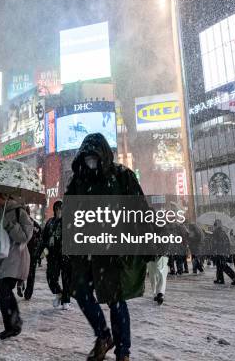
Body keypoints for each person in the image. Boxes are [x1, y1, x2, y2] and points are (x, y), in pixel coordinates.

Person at [66, 133, 148, 361]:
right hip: (85, 249)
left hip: (113, 249)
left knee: (115, 299)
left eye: (94, 156)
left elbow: (140, 210)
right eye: (87, 157)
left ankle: (123, 352)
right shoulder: (78, 180)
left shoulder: (122, 176)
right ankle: (103, 336)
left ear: (103, 155)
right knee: (81, 292)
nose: (90, 161)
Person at [0, 192, 32, 340]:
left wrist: (9, 226)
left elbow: (25, 236)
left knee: (4, 289)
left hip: (14, 258)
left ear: (8, 196)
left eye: (0, 196)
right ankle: (11, 325)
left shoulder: (19, 212)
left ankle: (13, 324)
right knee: (2, 293)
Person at [37, 200, 72, 309]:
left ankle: (66, 301)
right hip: (52, 255)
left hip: (66, 255)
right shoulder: (50, 222)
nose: (58, 211)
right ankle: (59, 293)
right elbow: (43, 238)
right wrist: (39, 251)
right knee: (51, 277)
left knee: (66, 279)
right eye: (56, 209)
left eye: (60, 209)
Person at [19, 206, 42, 300]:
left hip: (29, 252)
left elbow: (40, 237)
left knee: (25, 271)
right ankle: (27, 291)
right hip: (31, 252)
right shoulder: (34, 224)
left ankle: (24, 288)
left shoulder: (25, 224)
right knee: (29, 273)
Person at [211, 220, 235, 286]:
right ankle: (220, 279)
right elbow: (227, 243)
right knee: (220, 266)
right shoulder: (222, 232)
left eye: (214, 225)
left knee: (223, 266)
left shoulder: (216, 232)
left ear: (216, 226)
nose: (214, 226)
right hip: (223, 252)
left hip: (219, 252)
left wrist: (214, 250)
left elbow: (215, 243)